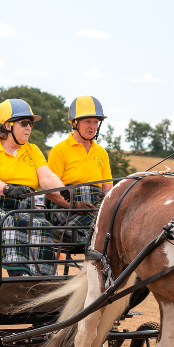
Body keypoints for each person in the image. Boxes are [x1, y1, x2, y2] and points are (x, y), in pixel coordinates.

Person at [0, 98, 77, 276]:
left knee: (42, 226)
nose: (29, 127)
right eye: (24, 123)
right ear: (7, 125)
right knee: (11, 223)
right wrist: (8, 189)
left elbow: (46, 177)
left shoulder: (32, 150)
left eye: (31, 123)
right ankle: (20, 279)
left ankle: (42, 279)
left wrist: (62, 189)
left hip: (18, 209)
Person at [46, 96, 113, 241]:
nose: (93, 126)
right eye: (87, 121)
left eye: (96, 122)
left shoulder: (102, 153)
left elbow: (107, 189)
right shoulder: (59, 150)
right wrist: (74, 205)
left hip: (94, 208)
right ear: (75, 123)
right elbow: (50, 193)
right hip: (66, 209)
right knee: (99, 230)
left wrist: (105, 203)